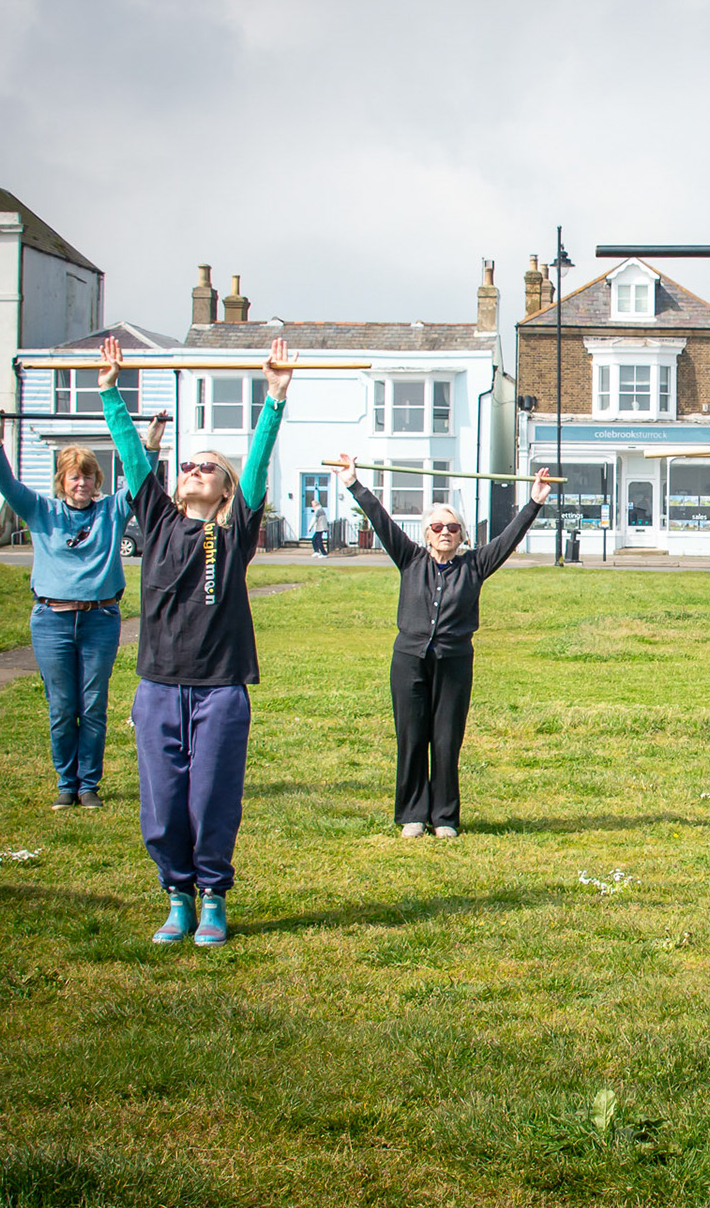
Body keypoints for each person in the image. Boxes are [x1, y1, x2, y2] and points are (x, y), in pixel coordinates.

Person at [99, 332, 293, 947]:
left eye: (205, 466)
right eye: (185, 465)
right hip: (158, 688)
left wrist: (274, 400)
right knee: (161, 806)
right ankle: (176, 896)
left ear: (225, 487)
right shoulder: (156, 522)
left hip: (220, 692)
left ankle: (212, 898)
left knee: (211, 800)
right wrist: (110, 393)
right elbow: (134, 460)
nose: (191, 470)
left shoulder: (234, 533)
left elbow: (258, 467)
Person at [336, 454, 551, 838]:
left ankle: (445, 817)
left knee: (447, 739)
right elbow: (381, 522)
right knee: (412, 737)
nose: (445, 532)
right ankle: (412, 815)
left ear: (462, 534)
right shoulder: (410, 559)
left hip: (454, 662)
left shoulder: (475, 565)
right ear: (427, 533)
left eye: (452, 527)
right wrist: (354, 483)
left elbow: (508, 538)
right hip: (409, 661)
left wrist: (534, 502)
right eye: (437, 526)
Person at [0, 407, 159, 809]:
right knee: (62, 707)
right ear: (63, 482)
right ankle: (67, 782)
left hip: (100, 619)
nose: (83, 483)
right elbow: (8, 485)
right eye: (75, 476)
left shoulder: (111, 511)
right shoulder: (42, 511)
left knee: (93, 705)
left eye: (89, 476)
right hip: (52, 621)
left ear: (98, 480)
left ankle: (88, 785)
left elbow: (141, 482)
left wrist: (149, 445)